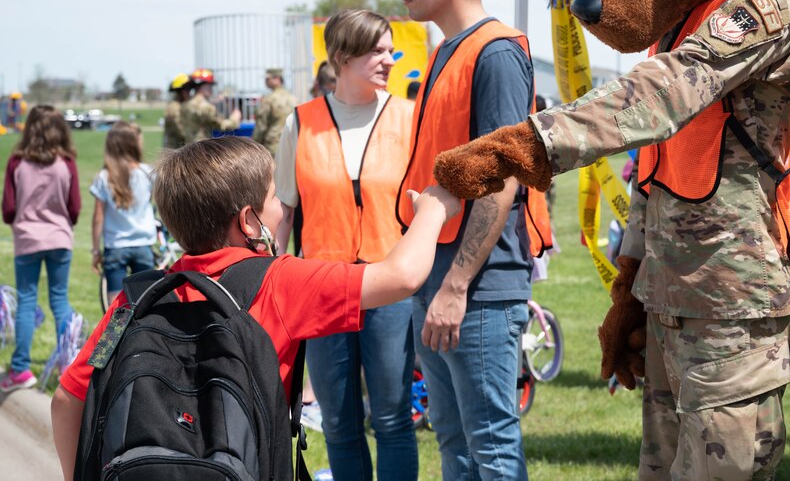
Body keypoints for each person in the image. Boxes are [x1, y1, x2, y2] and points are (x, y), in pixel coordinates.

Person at [50, 136, 460, 481]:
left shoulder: (138, 297)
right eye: (273, 197)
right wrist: (434, 209)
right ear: (249, 222)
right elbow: (401, 276)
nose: (282, 206)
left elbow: (67, 400)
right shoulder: (280, 281)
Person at [375, 0, 541, 479]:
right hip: (439, 276)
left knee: (490, 449)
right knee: (456, 444)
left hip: (477, 287)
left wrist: (456, 285)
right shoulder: (451, 49)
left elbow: (504, 175)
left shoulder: (493, 53)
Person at [273, 9, 418, 481]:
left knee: (394, 419)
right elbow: (284, 211)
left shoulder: (408, 118)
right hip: (321, 290)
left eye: (390, 48)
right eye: (377, 50)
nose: (390, 59)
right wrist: (272, 282)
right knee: (338, 423)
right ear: (342, 57)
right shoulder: (300, 123)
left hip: (391, 288)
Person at [1, 105, 80, 391]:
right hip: (59, 239)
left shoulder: (16, 162)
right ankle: (69, 365)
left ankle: (20, 369)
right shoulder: (67, 162)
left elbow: (8, 209)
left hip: (27, 240)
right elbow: (75, 208)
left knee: (26, 301)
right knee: (60, 300)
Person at [89, 121, 157, 306]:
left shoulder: (104, 177)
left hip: (115, 245)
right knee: (145, 298)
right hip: (143, 244)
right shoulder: (147, 172)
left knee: (115, 302)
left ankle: (117, 332)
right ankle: (143, 333)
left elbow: (98, 218)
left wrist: (95, 250)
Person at [179, 68, 241, 144]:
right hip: (201, 150)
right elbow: (222, 126)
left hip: (188, 149)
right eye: (210, 85)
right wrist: (235, 118)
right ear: (203, 86)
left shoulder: (186, 105)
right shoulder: (206, 107)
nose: (211, 89)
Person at [252, 68, 297, 157]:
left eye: (268, 79)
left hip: (272, 146)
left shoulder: (269, 99)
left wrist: (254, 145)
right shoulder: (294, 99)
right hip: (292, 144)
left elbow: (261, 127)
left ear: (277, 79)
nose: (265, 81)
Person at [163, 73, 192, 150]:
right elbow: (181, 131)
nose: (189, 93)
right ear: (180, 91)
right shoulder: (174, 108)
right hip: (173, 152)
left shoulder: (181, 106)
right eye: (188, 89)